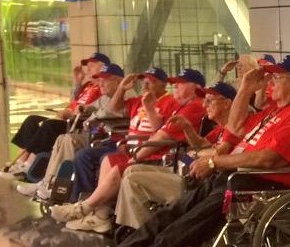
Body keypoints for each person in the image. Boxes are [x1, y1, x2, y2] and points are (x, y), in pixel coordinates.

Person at [21, 55, 290, 247]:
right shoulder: (275, 112)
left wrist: (217, 163)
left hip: (257, 184)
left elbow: (267, 159)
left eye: (277, 78)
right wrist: (244, 88)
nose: (270, 83)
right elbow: (234, 128)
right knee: (162, 221)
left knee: (176, 234)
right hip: (233, 177)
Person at [50, 69, 208, 232]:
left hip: (162, 156)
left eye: (180, 83)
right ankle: (95, 213)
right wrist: (126, 92)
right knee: (102, 158)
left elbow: (161, 136)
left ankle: (88, 211)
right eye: (174, 83)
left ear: (195, 87)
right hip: (143, 148)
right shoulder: (181, 106)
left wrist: (136, 155)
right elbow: (118, 111)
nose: (175, 86)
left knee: (117, 165)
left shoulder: (189, 107)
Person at [112, 82, 237, 230]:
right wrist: (186, 127)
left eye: (210, 100)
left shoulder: (233, 128)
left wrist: (198, 154)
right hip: (186, 172)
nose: (205, 105)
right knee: (130, 170)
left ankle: (143, 233)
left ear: (227, 104)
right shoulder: (220, 128)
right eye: (205, 100)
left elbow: (217, 153)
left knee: (132, 181)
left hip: (197, 185)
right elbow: (201, 144)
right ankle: (130, 227)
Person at [16, 62, 128, 200]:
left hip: (109, 139)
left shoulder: (126, 96)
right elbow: (88, 107)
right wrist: (85, 109)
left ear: (118, 81)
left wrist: (92, 116)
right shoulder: (104, 96)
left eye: (105, 80)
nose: (101, 83)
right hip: (95, 135)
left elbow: (108, 112)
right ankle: (47, 183)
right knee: (62, 138)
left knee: (69, 140)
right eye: (100, 80)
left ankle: (58, 185)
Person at [66, 67, 178, 202]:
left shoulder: (170, 101)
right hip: (128, 146)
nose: (145, 85)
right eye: (143, 81)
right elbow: (113, 109)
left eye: (151, 81)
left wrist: (148, 107)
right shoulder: (137, 100)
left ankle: (97, 205)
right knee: (83, 156)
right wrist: (122, 88)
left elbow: (160, 130)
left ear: (163, 84)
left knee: (105, 158)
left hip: (147, 150)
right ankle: (79, 201)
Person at [2, 52, 109, 178]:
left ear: (103, 68)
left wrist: (70, 114)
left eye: (92, 65)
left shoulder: (102, 88)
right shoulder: (87, 86)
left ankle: (28, 165)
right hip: (66, 118)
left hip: (76, 123)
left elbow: (91, 109)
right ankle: (21, 160)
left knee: (49, 125)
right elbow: (73, 103)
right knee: (32, 120)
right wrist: (77, 83)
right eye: (88, 66)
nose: (88, 68)